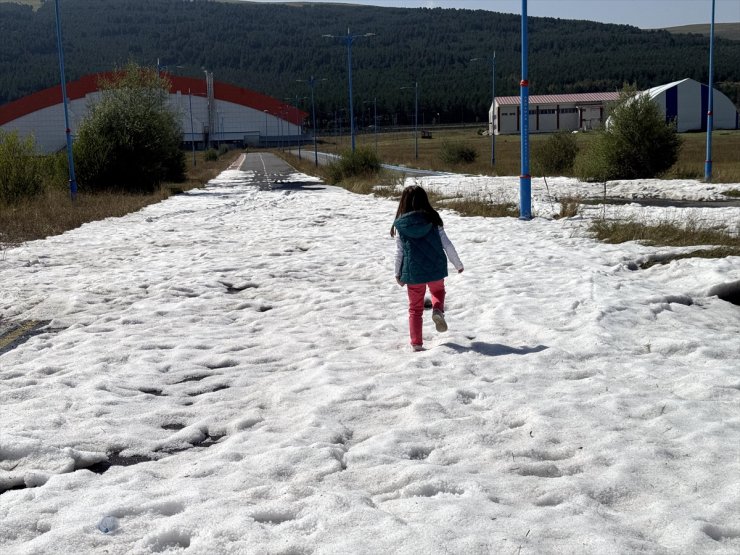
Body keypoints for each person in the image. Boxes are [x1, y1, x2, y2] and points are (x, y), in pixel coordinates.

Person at [391, 185, 464, 352]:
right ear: (425, 201)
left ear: (404, 203)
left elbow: (399, 252)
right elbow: (447, 243)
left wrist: (398, 273)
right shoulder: (433, 219)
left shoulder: (401, 226)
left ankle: (416, 343)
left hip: (413, 272)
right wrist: (457, 264)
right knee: (438, 292)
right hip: (436, 268)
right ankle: (437, 309)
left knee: (415, 309)